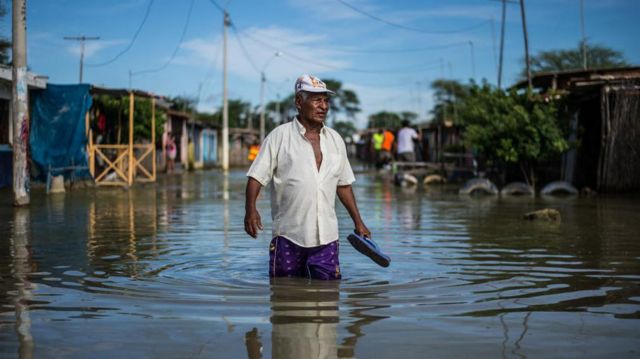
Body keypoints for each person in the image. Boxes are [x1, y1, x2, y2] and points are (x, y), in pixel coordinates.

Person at [244, 74, 370, 280]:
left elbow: (344, 185)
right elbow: (256, 177)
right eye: (316, 100)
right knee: (284, 294)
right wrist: (250, 210)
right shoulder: (279, 136)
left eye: (326, 100)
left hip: (327, 237)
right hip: (288, 235)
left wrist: (359, 222)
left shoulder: (335, 139)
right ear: (298, 102)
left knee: (329, 297)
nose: (324, 106)